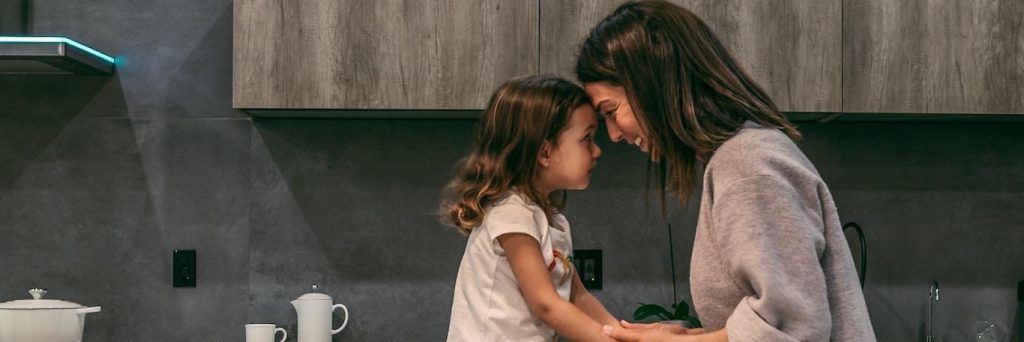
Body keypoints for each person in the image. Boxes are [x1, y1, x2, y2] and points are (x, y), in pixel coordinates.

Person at [574, 1, 876, 341]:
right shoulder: (740, 159)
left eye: (611, 111)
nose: (614, 134)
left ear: (653, 84)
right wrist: (688, 337)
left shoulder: (747, 167)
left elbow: (791, 328)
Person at [442, 75, 619, 341]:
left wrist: (622, 333)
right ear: (544, 153)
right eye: (587, 138)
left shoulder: (553, 220)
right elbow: (545, 304)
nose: (597, 151)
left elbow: (577, 295)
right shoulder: (511, 213)